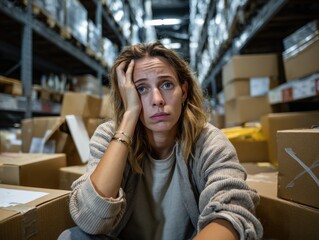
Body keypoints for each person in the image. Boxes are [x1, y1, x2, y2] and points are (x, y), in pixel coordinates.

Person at [58, 42, 263, 240]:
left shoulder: (208, 141)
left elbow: (232, 213)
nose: (157, 99)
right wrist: (130, 115)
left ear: (183, 91)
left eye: (166, 85)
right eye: (141, 89)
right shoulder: (108, 136)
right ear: (127, 95)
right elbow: (89, 220)